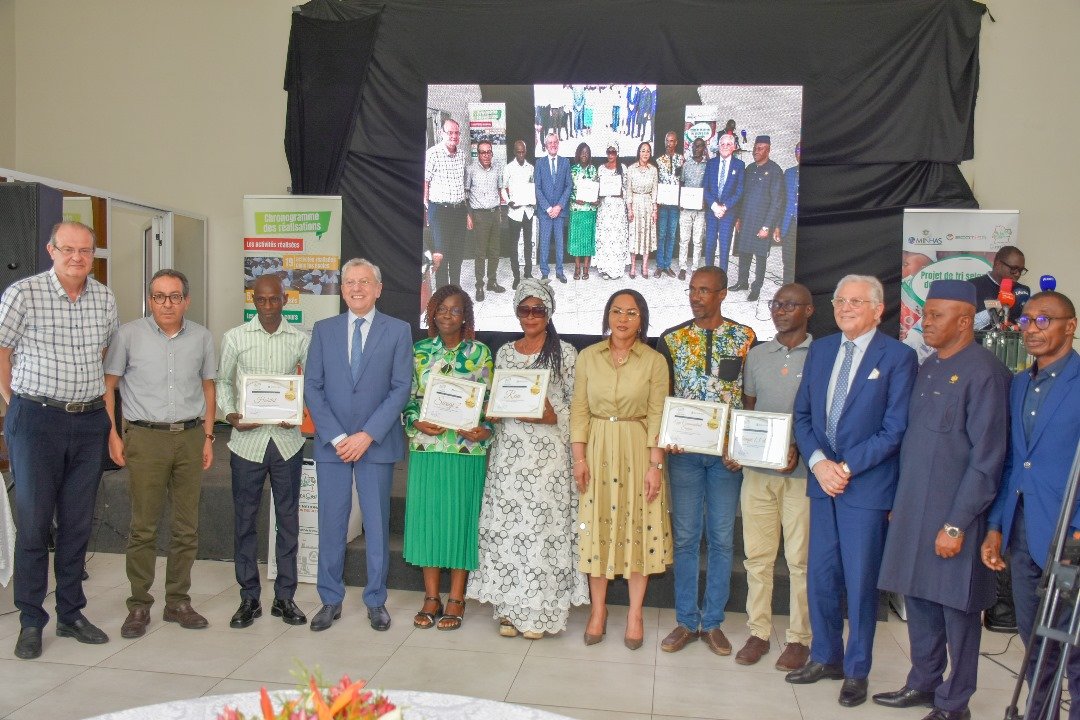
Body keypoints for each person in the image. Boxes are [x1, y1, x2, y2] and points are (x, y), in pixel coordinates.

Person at [875, 280, 1010, 720]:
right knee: (918, 599)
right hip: (915, 510)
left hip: (957, 517)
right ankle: (923, 682)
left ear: (965, 321)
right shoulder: (929, 366)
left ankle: (955, 702)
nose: (924, 322)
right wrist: (900, 502)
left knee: (958, 610)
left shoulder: (986, 372)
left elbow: (987, 459)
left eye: (935, 315)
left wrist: (956, 523)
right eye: (924, 313)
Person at [787, 274, 917, 708]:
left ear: (878, 310)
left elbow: (894, 429)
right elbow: (803, 416)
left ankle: (857, 670)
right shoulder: (822, 349)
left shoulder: (898, 357)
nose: (844, 307)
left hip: (866, 486)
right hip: (823, 483)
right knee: (821, 576)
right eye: (840, 300)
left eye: (856, 302)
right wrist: (819, 463)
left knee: (861, 583)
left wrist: (845, 467)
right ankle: (826, 657)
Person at [1, 221, 117, 660]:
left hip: (88, 421)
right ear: (51, 250)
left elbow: (102, 354)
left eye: (85, 250)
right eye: (68, 249)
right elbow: (1, 351)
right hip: (36, 420)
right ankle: (31, 620)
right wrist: (15, 402)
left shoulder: (104, 298)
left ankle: (71, 613)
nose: (77, 258)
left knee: (77, 523)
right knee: (34, 523)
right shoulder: (23, 293)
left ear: (93, 255)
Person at [467, 279, 589, 638]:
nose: (531, 316)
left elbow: (578, 407)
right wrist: (491, 411)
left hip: (548, 458)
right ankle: (508, 610)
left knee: (541, 533)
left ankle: (540, 614)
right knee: (508, 531)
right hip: (508, 455)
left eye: (538, 309)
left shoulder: (566, 353)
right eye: (525, 309)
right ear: (517, 312)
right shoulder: (505, 352)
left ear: (549, 313)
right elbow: (500, 397)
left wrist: (554, 417)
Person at [981, 291, 1080, 720]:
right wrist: (996, 525)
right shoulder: (1018, 383)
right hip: (1022, 532)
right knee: (1035, 641)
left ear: (1070, 326)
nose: (1032, 329)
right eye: (1026, 321)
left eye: (1044, 320)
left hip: (1071, 532)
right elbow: (1013, 463)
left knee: (1074, 647)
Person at [104, 269, 216, 637]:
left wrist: (209, 436)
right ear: (150, 300)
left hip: (190, 437)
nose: (167, 303)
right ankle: (139, 605)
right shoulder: (128, 335)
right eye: (159, 296)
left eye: (174, 296)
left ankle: (178, 601)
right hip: (145, 439)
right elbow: (109, 386)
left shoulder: (202, 337)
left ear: (186, 300)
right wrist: (113, 434)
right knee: (143, 528)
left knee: (186, 527)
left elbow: (209, 387)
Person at [304, 258, 412, 632]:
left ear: (378, 289)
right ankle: (329, 600)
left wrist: (367, 434)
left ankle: (376, 601)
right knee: (331, 523)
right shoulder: (324, 330)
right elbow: (312, 387)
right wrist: (337, 436)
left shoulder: (398, 330)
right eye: (349, 282)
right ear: (342, 289)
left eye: (364, 281)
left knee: (376, 525)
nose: (356, 288)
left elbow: (401, 388)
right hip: (332, 445)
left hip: (375, 444)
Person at [656, 267, 755, 656]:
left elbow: (750, 399)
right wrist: (668, 437)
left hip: (726, 460)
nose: (696, 297)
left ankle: (712, 622)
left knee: (721, 538)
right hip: (685, 457)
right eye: (692, 290)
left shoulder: (745, 337)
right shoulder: (672, 339)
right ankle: (685, 621)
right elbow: (663, 397)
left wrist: (741, 447)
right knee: (684, 538)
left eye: (704, 290)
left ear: (722, 294)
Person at [571, 289, 672, 650]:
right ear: (607, 316)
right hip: (597, 447)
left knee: (638, 529)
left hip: (637, 448)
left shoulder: (654, 361)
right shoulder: (588, 357)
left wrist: (655, 465)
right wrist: (579, 459)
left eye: (631, 313)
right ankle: (598, 611)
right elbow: (579, 411)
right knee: (597, 526)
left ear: (641, 320)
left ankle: (635, 615)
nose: (623, 319)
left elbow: (658, 415)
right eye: (616, 311)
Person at [216, 274, 310, 629]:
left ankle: (285, 597)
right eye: (261, 300)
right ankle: (249, 598)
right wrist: (230, 415)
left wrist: (297, 410)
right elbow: (223, 381)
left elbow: (310, 383)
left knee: (288, 521)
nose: (268, 306)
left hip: (287, 443)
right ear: (253, 300)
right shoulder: (235, 337)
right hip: (247, 444)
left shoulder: (300, 340)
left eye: (274, 299)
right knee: (245, 521)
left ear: (285, 299)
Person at [734, 283, 815, 670]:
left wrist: (799, 446)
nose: (780, 311)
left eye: (789, 305)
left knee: (800, 561)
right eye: (776, 304)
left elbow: (826, 416)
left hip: (803, 476)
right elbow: (750, 411)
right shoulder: (757, 355)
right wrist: (740, 447)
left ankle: (799, 639)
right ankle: (759, 632)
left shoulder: (822, 356)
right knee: (757, 558)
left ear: (809, 311)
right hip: (758, 474)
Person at [403, 285, 494, 631]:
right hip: (427, 449)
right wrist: (415, 421)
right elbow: (408, 399)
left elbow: (490, 404)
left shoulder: (481, 353)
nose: (447, 315)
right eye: (441, 308)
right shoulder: (420, 352)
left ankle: (456, 597)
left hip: (465, 451)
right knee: (428, 520)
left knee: (460, 521)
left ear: (465, 316)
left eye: (455, 310)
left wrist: (485, 428)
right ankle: (431, 597)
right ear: (432, 313)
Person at [731, 135, 784, 302]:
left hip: (762, 222)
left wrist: (767, 226)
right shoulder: (749, 169)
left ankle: (756, 288)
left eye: (760, 148)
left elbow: (777, 202)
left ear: (768, 150)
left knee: (760, 256)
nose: (756, 151)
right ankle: (742, 282)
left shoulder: (775, 170)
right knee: (744, 251)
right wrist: (738, 218)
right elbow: (742, 196)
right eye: (755, 148)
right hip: (746, 219)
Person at [424, 118, 467, 289]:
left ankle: (455, 289)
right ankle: (442, 292)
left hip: (459, 210)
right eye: (450, 132)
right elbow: (425, 181)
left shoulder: (462, 155)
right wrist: (427, 207)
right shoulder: (432, 153)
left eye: (457, 133)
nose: (454, 136)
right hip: (440, 211)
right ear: (442, 133)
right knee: (441, 254)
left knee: (457, 254)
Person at [465, 139, 505, 302]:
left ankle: (492, 282)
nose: (486, 155)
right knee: (480, 253)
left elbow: (499, 190)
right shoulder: (471, 169)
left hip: (494, 213)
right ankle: (479, 286)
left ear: (492, 153)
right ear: (478, 154)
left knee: (495, 251)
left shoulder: (497, 168)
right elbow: (466, 194)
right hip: (479, 215)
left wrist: (499, 212)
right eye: (483, 152)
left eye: (489, 152)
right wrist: (469, 215)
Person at [702, 133, 744, 271]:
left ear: (734, 147)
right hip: (712, 212)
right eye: (722, 144)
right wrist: (715, 206)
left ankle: (722, 277)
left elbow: (739, 191)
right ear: (718, 146)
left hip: (728, 212)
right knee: (710, 245)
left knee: (724, 247)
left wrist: (724, 207)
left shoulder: (739, 165)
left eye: (728, 144)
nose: (725, 146)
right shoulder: (711, 163)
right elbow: (705, 188)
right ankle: (709, 275)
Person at [535, 132, 571, 283]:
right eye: (550, 143)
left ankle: (559, 271)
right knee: (544, 242)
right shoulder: (540, 163)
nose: (553, 145)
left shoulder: (565, 162)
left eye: (555, 142)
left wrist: (559, 206)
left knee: (559, 243)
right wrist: (549, 208)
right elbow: (537, 188)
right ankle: (544, 272)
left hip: (559, 212)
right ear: (545, 146)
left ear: (558, 144)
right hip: (545, 212)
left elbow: (568, 186)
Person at [971, 245, 1032, 329]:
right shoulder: (972, 286)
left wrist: (1018, 326)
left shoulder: (1023, 291)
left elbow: (1028, 323)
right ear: (997, 264)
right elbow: (967, 324)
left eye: (1021, 270)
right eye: (1014, 269)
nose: (1018, 274)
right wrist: (998, 304)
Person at [501, 140, 535, 290]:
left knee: (528, 243)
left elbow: (533, 187)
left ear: (525, 152)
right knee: (513, 245)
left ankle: (528, 273)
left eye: (523, 152)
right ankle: (516, 277)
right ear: (514, 152)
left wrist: (533, 200)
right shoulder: (508, 168)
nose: (521, 155)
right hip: (514, 213)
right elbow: (503, 188)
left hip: (528, 212)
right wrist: (508, 202)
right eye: (518, 152)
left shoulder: (531, 168)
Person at [593, 144, 629, 280]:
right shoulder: (601, 168)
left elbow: (627, 188)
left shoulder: (623, 168)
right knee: (605, 238)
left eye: (613, 152)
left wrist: (621, 192)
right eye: (609, 152)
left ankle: (616, 268)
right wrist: (597, 196)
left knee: (616, 238)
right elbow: (597, 188)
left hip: (618, 209)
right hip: (604, 209)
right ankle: (604, 268)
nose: (611, 155)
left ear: (617, 153)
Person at [626, 141, 658, 279]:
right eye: (643, 150)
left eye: (648, 151)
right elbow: (628, 191)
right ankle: (633, 265)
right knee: (634, 235)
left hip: (648, 205)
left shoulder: (653, 170)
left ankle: (644, 265)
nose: (645, 153)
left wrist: (655, 210)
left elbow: (655, 191)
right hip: (635, 204)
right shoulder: (631, 169)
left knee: (647, 235)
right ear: (639, 152)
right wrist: (629, 209)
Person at [678, 137, 709, 280]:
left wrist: (705, 202)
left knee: (697, 240)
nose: (697, 149)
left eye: (700, 146)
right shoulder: (686, 165)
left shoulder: (708, 166)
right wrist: (681, 200)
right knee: (684, 239)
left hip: (700, 210)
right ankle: (683, 267)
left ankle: (695, 268)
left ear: (704, 148)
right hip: (686, 208)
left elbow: (709, 187)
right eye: (695, 146)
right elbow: (681, 183)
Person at [655, 131, 684, 278]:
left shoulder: (681, 160)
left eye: (672, 141)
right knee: (661, 234)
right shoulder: (659, 160)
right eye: (667, 140)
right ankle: (660, 265)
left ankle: (667, 265)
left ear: (676, 142)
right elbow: (656, 182)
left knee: (671, 235)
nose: (669, 143)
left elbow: (683, 181)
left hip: (675, 204)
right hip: (662, 203)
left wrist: (682, 200)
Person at [568, 142, 598, 280]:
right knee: (576, 239)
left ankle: (586, 267)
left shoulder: (593, 170)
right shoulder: (573, 169)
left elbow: (597, 189)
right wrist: (574, 199)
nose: (584, 154)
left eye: (586, 152)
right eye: (582, 152)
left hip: (590, 210)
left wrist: (596, 199)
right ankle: (577, 267)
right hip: (576, 209)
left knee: (587, 240)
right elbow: (568, 189)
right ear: (578, 154)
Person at [775, 141, 801, 285]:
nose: (800, 154)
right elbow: (782, 201)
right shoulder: (789, 173)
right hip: (789, 224)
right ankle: (787, 290)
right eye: (798, 151)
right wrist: (778, 226)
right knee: (788, 261)